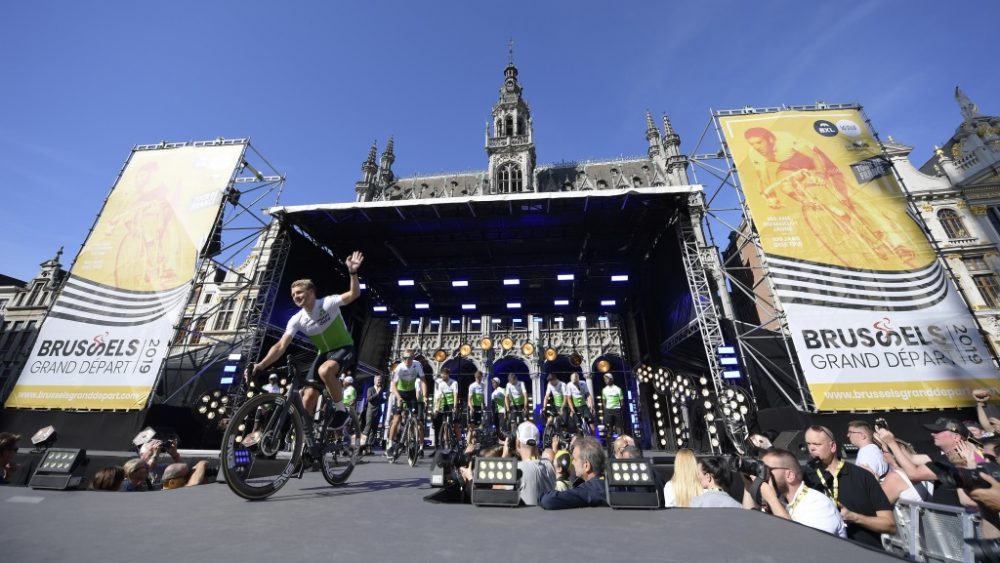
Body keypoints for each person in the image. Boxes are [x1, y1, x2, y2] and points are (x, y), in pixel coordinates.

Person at [247, 251, 364, 430]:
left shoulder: (328, 303)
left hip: (344, 348)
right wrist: (261, 365)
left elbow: (354, 294)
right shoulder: (296, 319)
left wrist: (353, 273)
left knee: (325, 371)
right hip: (324, 353)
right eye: (293, 295)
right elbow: (280, 345)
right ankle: (304, 442)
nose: (295, 297)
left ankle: (341, 411)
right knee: (307, 398)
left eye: (299, 292)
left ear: (311, 291)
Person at [803, 425, 895, 547]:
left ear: (832, 446)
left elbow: (889, 525)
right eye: (808, 444)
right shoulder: (807, 479)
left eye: (817, 444)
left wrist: (856, 518)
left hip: (864, 553)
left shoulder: (862, 476)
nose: (811, 448)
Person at [875, 418, 981, 507]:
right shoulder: (949, 456)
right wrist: (890, 436)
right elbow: (912, 458)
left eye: (938, 431)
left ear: (956, 436)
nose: (933, 434)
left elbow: (914, 474)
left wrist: (892, 443)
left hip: (957, 525)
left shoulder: (956, 458)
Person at [758, 447, 847, 538]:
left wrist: (772, 499)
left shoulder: (817, 504)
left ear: (789, 475)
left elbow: (803, 545)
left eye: (767, 469)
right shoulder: (782, 502)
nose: (763, 474)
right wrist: (748, 486)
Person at [539, 436, 607, 510]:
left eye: (575, 459)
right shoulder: (608, 482)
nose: (573, 462)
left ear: (586, 466)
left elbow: (549, 500)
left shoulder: (592, 489)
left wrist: (540, 497)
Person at [503, 421, 555, 506]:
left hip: (526, 518)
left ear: (518, 443)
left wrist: (504, 457)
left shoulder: (517, 469)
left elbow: (496, 490)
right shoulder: (549, 466)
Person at [387, 350, 427, 458]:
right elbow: (393, 386)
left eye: (409, 358)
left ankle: (412, 440)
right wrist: (399, 397)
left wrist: (425, 396)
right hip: (400, 393)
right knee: (397, 419)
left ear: (413, 358)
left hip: (411, 394)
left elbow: (423, 380)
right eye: (405, 358)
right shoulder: (399, 367)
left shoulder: (417, 365)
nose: (407, 360)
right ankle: (390, 445)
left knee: (415, 418)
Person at [432, 368, 459, 451]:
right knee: (445, 425)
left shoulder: (454, 382)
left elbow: (455, 395)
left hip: (451, 404)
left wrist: (455, 407)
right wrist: (437, 408)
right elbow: (439, 397)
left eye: (445, 375)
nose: (443, 376)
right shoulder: (440, 384)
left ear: (448, 375)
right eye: (442, 375)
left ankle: (458, 442)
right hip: (444, 404)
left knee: (454, 424)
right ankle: (446, 442)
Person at [360, 375, 387, 455]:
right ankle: (361, 447)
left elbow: (380, 400)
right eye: (378, 380)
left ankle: (369, 447)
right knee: (367, 429)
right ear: (375, 381)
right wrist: (377, 393)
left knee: (374, 430)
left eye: (380, 380)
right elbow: (369, 399)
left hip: (378, 412)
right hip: (370, 412)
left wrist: (385, 399)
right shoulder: (370, 389)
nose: (379, 381)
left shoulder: (381, 389)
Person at [601, 373, 625, 441]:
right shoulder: (604, 390)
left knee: (619, 428)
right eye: (604, 379)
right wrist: (606, 409)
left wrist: (621, 409)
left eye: (607, 379)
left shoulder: (618, 389)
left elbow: (622, 401)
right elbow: (604, 401)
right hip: (608, 411)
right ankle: (610, 446)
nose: (605, 380)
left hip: (617, 410)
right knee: (609, 428)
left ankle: (620, 442)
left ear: (611, 379)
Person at [466, 371, 485, 444]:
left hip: (479, 407)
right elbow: (469, 399)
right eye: (477, 378)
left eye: (480, 378)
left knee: (476, 426)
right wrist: (471, 408)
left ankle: (472, 442)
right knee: (471, 427)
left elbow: (482, 397)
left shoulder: (483, 385)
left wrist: (483, 405)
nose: (479, 380)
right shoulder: (472, 386)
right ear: (475, 378)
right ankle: (468, 443)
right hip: (472, 407)